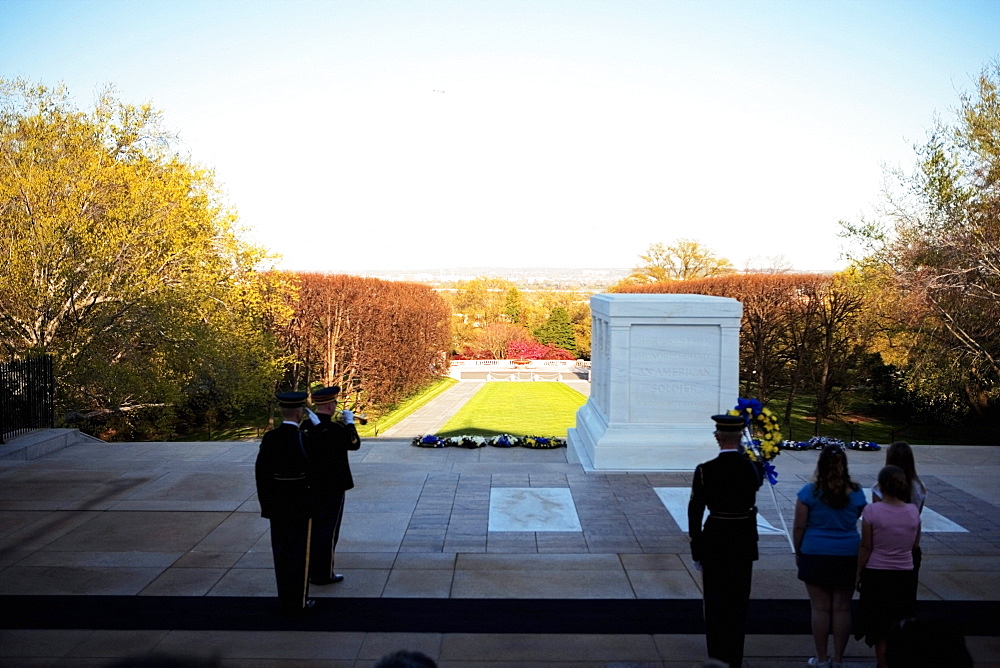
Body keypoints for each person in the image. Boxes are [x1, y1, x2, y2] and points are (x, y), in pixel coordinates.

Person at [688, 413, 764, 668]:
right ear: (740, 437)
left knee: (715, 602)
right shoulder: (752, 467)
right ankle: (735, 658)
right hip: (743, 539)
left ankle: (718, 657)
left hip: (715, 538)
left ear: (717, 438)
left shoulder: (705, 470)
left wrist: (696, 547)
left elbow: (695, 511)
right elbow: (757, 482)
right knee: (738, 602)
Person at [792, 443, 867, 668]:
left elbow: (798, 527)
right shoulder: (856, 492)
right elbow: (858, 515)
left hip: (815, 552)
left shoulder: (808, 492)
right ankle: (838, 659)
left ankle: (822, 658)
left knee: (820, 608)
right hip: (847, 554)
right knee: (842, 608)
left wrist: (799, 552)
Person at [254, 391, 315, 615]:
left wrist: (266, 505)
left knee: (281, 552)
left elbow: (261, 473)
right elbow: (316, 469)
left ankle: (284, 599)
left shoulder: (270, 438)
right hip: (300, 502)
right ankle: (299, 601)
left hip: (277, 503)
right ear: (300, 412)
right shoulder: (304, 437)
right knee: (300, 553)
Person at [855, 465, 921, 668]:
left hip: (877, 574)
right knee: (898, 625)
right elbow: (914, 545)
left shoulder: (872, 511)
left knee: (880, 629)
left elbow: (866, 546)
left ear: (881, 487)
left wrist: (858, 573)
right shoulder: (912, 512)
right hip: (904, 576)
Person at [301, 385, 361, 585]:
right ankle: (324, 573)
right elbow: (354, 443)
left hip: (311, 485)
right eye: (334, 403)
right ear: (329, 405)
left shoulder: (306, 427)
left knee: (315, 528)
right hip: (332, 486)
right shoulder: (334, 429)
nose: (336, 405)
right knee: (328, 530)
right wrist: (350, 424)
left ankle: (310, 570)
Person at [871, 441, 926, 597]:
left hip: (883, 550)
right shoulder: (919, 487)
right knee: (906, 598)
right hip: (908, 547)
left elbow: (877, 520)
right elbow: (917, 518)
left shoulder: (878, 489)